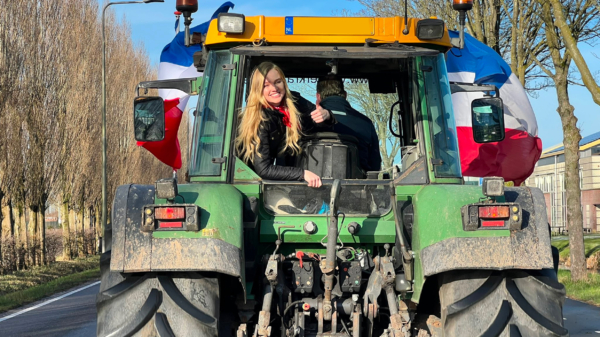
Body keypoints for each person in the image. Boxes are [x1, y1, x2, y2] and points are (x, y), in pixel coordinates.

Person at [235, 62, 334, 188]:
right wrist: (303, 174)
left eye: (277, 82)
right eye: (266, 85)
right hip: (250, 185)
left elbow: (315, 123)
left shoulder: (293, 102)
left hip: (278, 182)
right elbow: (264, 170)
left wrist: (327, 115)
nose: (274, 88)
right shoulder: (259, 119)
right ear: (257, 89)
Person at [316, 74, 382, 172]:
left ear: (318, 96)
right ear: (345, 95)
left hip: (308, 184)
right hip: (358, 185)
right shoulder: (365, 123)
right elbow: (375, 164)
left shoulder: (305, 121)